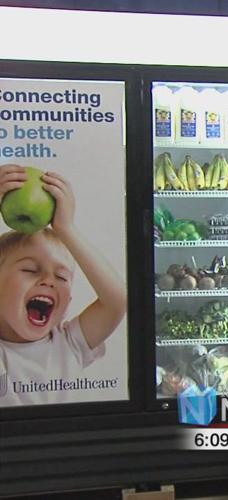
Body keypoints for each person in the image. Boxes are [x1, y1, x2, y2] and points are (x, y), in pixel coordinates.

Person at [0, 164, 128, 406]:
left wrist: (66, 229)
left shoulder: (70, 344)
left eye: (61, 277)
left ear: (68, 299)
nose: (48, 281)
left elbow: (117, 300)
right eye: (29, 270)